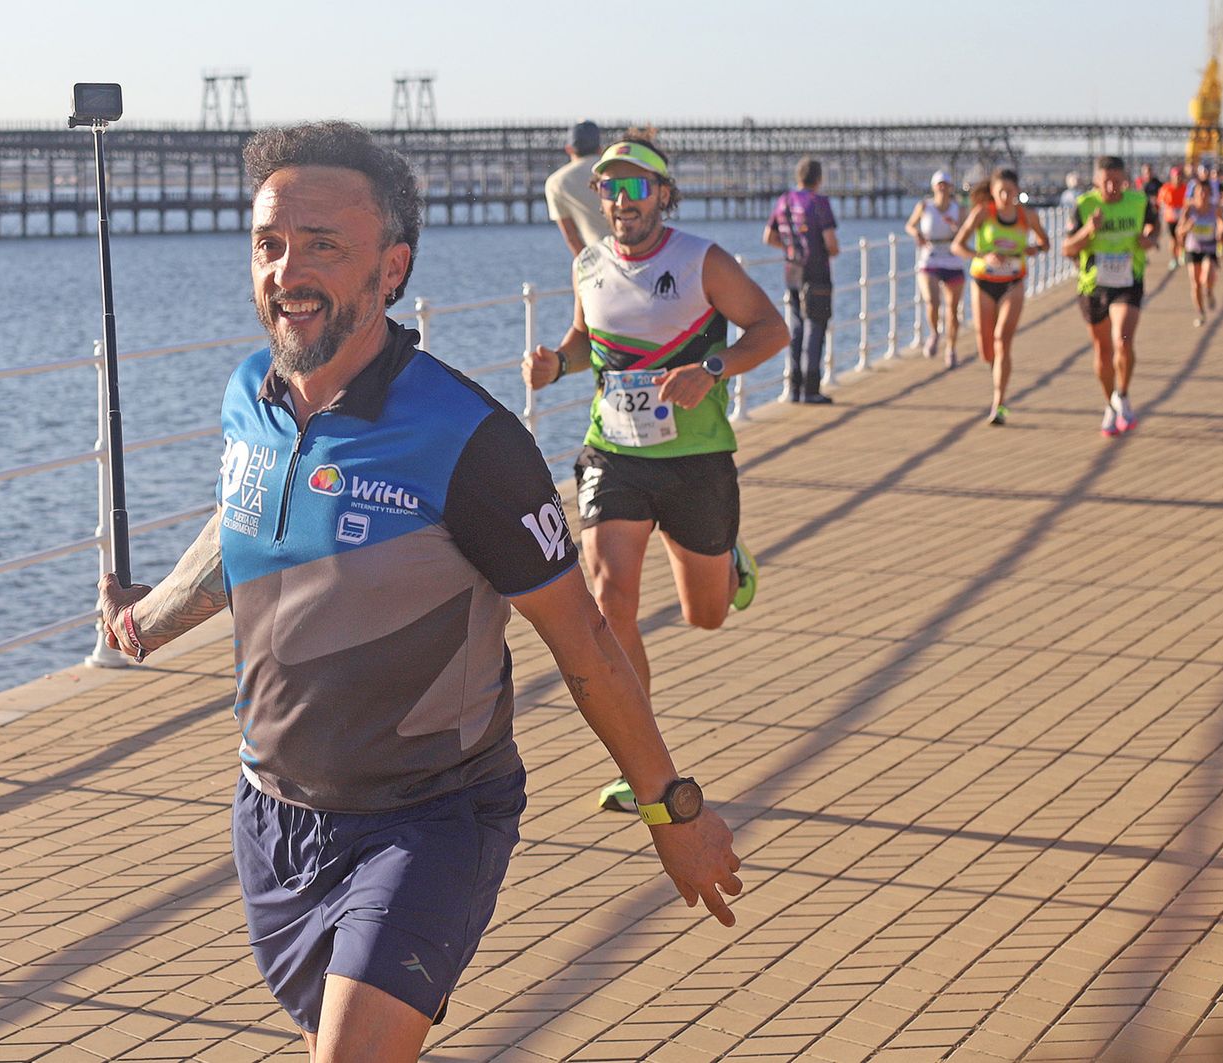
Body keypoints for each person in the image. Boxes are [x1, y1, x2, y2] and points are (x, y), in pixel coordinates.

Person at [96, 121, 743, 1061]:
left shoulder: (469, 440)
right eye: (270, 244)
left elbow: (586, 642)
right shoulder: (251, 395)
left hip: (430, 814)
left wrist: (670, 811)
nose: (288, 270)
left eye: (325, 245)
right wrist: (146, 618)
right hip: (270, 814)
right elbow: (237, 521)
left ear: (391, 269)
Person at [524, 138, 786, 813]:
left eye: (637, 188)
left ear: (664, 195)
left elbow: (771, 328)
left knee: (706, 614)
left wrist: (715, 369)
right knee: (609, 600)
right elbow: (587, 342)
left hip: (696, 459)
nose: (621, 201)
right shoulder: (588, 264)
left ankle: (728, 561)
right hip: (615, 451)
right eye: (610, 189)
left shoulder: (702, 261)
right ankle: (643, 765)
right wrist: (557, 362)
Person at [1065, 155, 1158, 438]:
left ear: (1125, 179)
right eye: (1106, 181)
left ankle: (1124, 394)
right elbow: (1067, 248)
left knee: (1123, 340)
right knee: (1103, 352)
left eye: (1117, 181)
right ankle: (1110, 404)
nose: (1111, 187)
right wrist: (1089, 230)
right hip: (1093, 285)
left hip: (1128, 282)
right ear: (1096, 181)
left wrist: (1149, 239)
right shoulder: (1084, 206)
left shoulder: (1138, 202)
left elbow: (1154, 232)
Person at [950, 167, 1049, 425]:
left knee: (1002, 339)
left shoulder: (1027, 216)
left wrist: (1030, 249)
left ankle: (999, 403)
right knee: (986, 350)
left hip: (1013, 283)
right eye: (1001, 191)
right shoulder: (983, 213)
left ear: (1017, 192)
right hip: (983, 282)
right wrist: (983, 255)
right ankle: (997, 375)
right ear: (992, 192)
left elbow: (1045, 243)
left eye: (1010, 191)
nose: (1006, 196)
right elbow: (957, 246)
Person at [763, 155, 839, 402]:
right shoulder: (819, 203)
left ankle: (794, 388)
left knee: (796, 327)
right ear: (818, 178)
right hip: (816, 271)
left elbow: (769, 237)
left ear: (799, 177)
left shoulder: (784, 200)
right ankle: (811, 389)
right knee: (815, 328)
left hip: (792, 270)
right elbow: (831, 243)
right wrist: (831, 252)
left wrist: (789, 251)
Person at [905, 170, 966, 366]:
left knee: (953, 310)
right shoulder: (924, 206)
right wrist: (916, 233)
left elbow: (966, 233)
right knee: (932, 301)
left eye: (945, 184)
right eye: (939, 184)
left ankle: (951, 349)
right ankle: (934, 332)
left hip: (952, 258)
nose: (942, 187)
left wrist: (956, 227)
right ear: (934, 187)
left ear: (950, 187)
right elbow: (909, 225)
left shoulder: (959, 209)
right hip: (930, 258)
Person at [544, 120, 610, 257]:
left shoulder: (556, 182)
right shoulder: (615, 170)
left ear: (569, 149)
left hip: (599, 255)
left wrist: (586, 267)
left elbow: (571, 238)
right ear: (600, 148)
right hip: (638, 252)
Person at [1178, 178, 1221, 327]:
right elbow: (1179, 231)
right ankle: (1200, 312)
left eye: (1205, 192)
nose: (1202, 195)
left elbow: (1221, 222)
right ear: (1194, 194)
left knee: (1207, 274)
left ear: (1210, 193)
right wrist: (1187, 227)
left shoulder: (1214, 208)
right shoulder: (1189, 209)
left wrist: (1221, 230)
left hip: (1209, 248)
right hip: (1192, 248)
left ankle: (1208, 291)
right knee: (1195, 284)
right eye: (1199, 192)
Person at [1158, 165, 1188, 268]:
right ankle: (1173, 258)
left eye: (1180, 176)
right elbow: (1161, 202)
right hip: (1170, 217)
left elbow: (1188, 201)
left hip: (1182, 217)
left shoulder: (1186, 188)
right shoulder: (1166, 188)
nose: (1178, 178)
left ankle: (1181, 254)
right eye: (1176, 176)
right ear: (1172, 177)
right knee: (1173, 239)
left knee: (1182, 236)